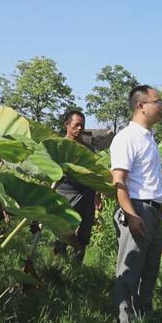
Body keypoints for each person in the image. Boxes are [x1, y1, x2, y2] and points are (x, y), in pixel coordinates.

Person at [110, 85, 162, 323]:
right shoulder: (127, 138)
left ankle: (144, 314)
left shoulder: (149, 138)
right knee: (131, 268)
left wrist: (160, 204)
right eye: (158, 102)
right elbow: (119, 180)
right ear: (141, 106)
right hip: (136, 209)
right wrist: (131, 215)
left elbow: (147, 177)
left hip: (152, 210)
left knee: (150, 267)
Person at [53, 110, 102, 261]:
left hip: (86, 193)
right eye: (76, 125)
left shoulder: (88, 149)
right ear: (67, 125)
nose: (79, 129)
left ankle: (77, 268)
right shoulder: (58, 146)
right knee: (63, 231)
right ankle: (56, 266)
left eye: (82, 125)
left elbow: (95, 173)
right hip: (65, 192)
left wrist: (97, 197)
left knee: (84, 233)